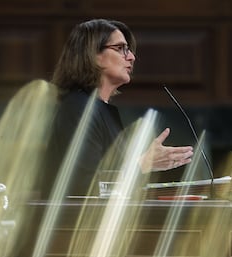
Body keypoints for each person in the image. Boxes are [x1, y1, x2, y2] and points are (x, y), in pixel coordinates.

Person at [43, 19, 193, 198]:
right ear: (93, 54)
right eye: (120, 48)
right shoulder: (79, 108)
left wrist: (145, 166)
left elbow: (107, 185)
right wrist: (142, 164)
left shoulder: (101, 110)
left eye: (128, 50)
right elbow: (83, 188)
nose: (131, 57)